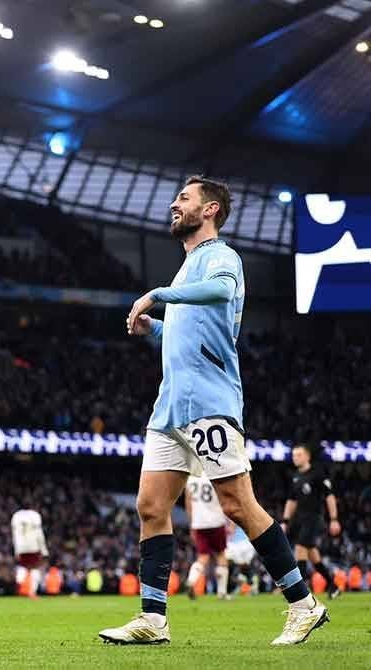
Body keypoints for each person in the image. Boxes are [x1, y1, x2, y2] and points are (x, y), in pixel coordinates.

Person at [99, 176, 328, 647]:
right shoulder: (186, 270)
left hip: (209, 403)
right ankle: (153, 618)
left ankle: (303, 604)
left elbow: (222, 292)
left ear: (211, 210)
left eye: (184, 199)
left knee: (237, 505)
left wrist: (158, 296)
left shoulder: (221, 258)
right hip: (170, 408)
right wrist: (155, 329)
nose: (173, 205)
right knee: (150, 506)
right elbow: (191, 334)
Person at [282, 444, 342, 599]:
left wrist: (334, 519)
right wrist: (285, 520)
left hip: (315, 518)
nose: (296, 458)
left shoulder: (317, 474)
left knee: (300, 549)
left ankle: (299, 593)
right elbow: (291, 500)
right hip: (300, 521)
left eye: (299, 455)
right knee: (314, 556)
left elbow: (329, 496)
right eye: (294, 455)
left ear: (307, 456)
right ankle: (333, 586)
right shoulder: (296, 477)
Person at [183, 475, 230, 599]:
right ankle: (222, 592)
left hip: (198, 522)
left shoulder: (191, 478)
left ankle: (191, 581)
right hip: (216, 520)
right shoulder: (215, 474)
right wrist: (230, 521)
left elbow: (188, 503)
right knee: (221, 554)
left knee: (203, 556)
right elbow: (225, 498)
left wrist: (191, 524)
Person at [11, 507, 48, 598]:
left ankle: (19, 587)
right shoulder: (35, 516)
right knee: (34, 568)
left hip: (21, 546)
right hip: (34, 545)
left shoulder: (16, 516)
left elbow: (15, 534)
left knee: (22, 567)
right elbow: (39, 533)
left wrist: (17, 550)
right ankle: (32, 592)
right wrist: (44, 549)